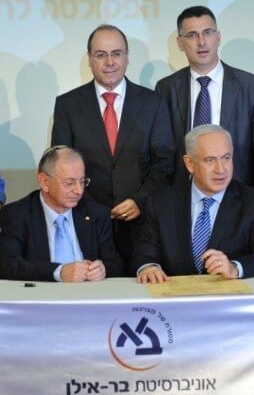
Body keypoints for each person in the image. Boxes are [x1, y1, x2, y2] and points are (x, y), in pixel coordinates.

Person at [51, 24, 175, 273]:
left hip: (142, 224)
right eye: (101, 54)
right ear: (89, 59)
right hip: (88, 223)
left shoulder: (153, 103)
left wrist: (139, 200)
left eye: (117, 53)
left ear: (127, 58)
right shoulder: (68, 105)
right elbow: (61, 165)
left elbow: (165, 161)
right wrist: (91, 207)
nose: (109, 62)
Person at [132, 124, 254, 283]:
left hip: (229, 302)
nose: (221, 169)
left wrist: (234, 268)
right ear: (190, 164)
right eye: (210, 160)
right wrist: (148, 267)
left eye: (226, 158)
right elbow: (144, 253)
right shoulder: (160, 203)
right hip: (175, 301)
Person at [155, 6, 254, 187]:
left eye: (208, 32)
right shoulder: (166, 88)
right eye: (192, 35)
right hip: (183, 199)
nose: (202, 42)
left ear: (218, 37)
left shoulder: (252, 87)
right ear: (180, 43)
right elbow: (163, 152)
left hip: (238, 198)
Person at [0, 146, 123, 282]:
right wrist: (59, 272)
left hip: (89, 296)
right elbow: (7, 265)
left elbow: (116, 264)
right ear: (44, 181)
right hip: (41, 297)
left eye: (82, 182)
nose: (78, 191)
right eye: (69, 183)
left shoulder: (97, 213)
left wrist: (103, 269)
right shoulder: (17, 214)